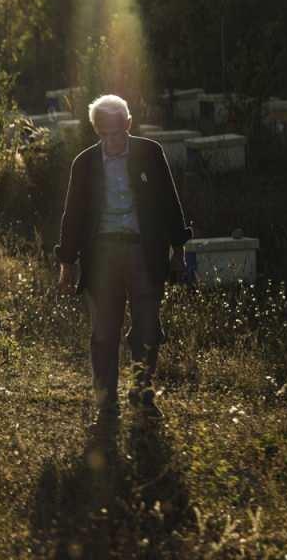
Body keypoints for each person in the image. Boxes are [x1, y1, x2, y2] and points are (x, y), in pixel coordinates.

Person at [55, 94, 191, 430]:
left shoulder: (150, 153)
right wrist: (66, 263)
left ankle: (142, 395)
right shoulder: (84, 164)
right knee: (103, 333)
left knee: (147, 328)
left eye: (116, 132)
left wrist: (179, 248)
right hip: (101, 256)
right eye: (104, 134)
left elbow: (168, 203)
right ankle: (107, 407)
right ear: (95, 130)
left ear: (128, 125)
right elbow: (72, 215)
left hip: (143, 252)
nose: (111, 140)